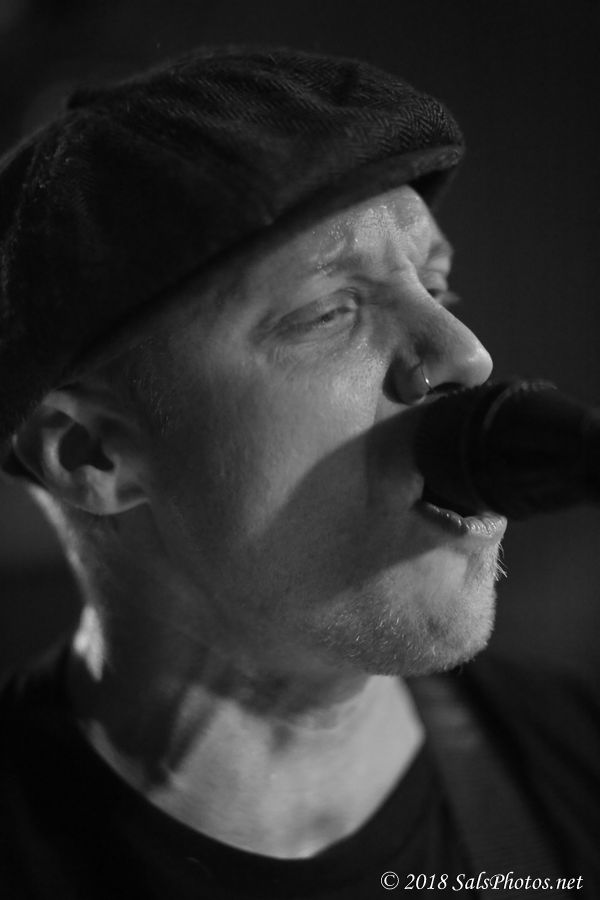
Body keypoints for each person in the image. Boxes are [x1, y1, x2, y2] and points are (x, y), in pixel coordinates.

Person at [0, 46, 597, 899]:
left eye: (437, 287)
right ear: (90, 454)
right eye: (330, 311)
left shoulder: (576, 758)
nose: (465, 355)